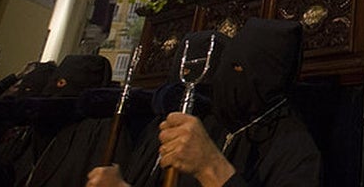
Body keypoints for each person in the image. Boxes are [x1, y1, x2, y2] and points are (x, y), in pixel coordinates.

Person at [87, 18, 320, 187]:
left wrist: (210, 166)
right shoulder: (218, 122)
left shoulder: (295, 149)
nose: (227, 81)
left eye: (239, 70)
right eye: (226, 69)